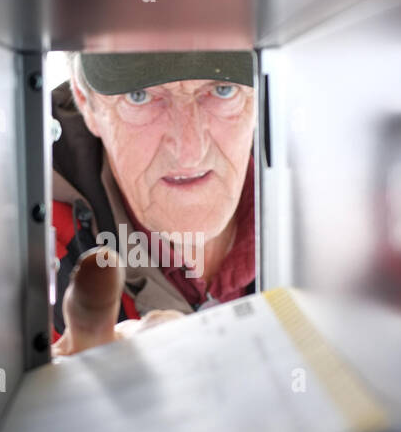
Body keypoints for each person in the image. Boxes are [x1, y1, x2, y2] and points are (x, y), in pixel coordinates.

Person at [49, 51, 257, 355]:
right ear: (86, 102)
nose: (189, 152)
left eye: (222, 90)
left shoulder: (329, 223)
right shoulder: (32, 252)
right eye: (140, 96)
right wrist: (53, 395)